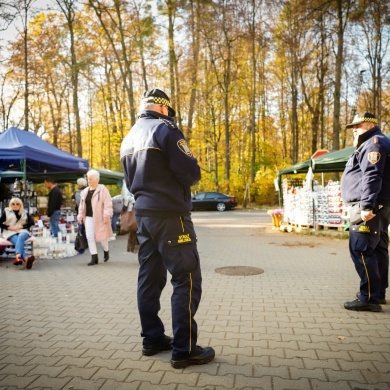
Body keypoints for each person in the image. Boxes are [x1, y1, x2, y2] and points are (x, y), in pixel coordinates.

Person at [120, 88, 215, 369]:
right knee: (185, 279)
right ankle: (184, 350)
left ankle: (152, 339)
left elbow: (129, 179)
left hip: (144, 217)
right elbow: (190, 172)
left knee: (149, 279)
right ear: (163, 108)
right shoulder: (166, 130)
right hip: (172, 216)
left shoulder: (128, 137)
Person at [341, 112, 390, 312]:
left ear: (370, 124)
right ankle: (377, 295)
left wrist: (366, 206)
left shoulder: (373, 143)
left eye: (357, 126)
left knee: (361, 250)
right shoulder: (376, 141)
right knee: (378, 250)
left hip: (370, 206)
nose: (354, 130)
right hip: (379, 205)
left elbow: (372, 175)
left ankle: (368, 298)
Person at [77, 169, 113, 266]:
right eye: (88, 179)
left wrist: (107, 214)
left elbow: (108, 203)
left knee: (102, 237)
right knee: (89, 236)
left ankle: (106, 250)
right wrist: (80, 215)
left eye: (91, 179)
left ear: (97, 179)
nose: (89, 181)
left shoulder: (103, 190)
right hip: (88, 217)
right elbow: (81, 205)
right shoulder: (84, 192)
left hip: (100, 217)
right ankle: (94, 256)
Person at [0, 197, 35, 269]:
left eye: (17, 204)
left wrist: (22, 226)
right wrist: (8, 227)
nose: (15, 205)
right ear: (10, 205)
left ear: (20, 205)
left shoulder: (24, 212)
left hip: (23, 231)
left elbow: (32, 222)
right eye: (13, 204)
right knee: (16, 239)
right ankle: (26, 259)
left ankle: (18, 257)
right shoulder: (6, 212)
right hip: (10, 232)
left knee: (21, 236)